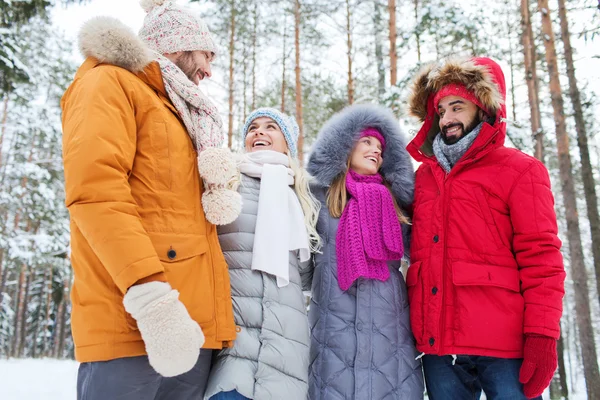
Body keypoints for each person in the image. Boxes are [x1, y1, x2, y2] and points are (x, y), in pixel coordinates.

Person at [61, 1, 239, 398]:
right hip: (137, 322)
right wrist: (152, 299)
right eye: (205, 55)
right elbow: (96, 193)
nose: (209, 70)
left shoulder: (182, 114)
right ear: (178, 45)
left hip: (193, 331)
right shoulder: (109, 83)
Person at [405, 56, 566, 400]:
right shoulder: (423, 179)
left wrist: (542, 334)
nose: (446, 118)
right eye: (441, 109)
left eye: (457, 106)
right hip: (439, 347)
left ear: (484, 108)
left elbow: (541, 257)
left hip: (504, 348)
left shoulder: (521, 170)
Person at [306, 104, 424, 399]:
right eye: (367, 142)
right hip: (334, 326)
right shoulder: (318, 198)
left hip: (389, 328)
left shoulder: (396, 204)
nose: (375, 151)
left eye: (381, 148)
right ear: (345, 145)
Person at [204, 108, 320, 400]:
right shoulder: (226, 184)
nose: (259, 132)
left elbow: (307, 276)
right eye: (253, 127)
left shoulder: (302, 196)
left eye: (271, 127)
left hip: (286, 347)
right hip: (233, 342)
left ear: (287, 143)